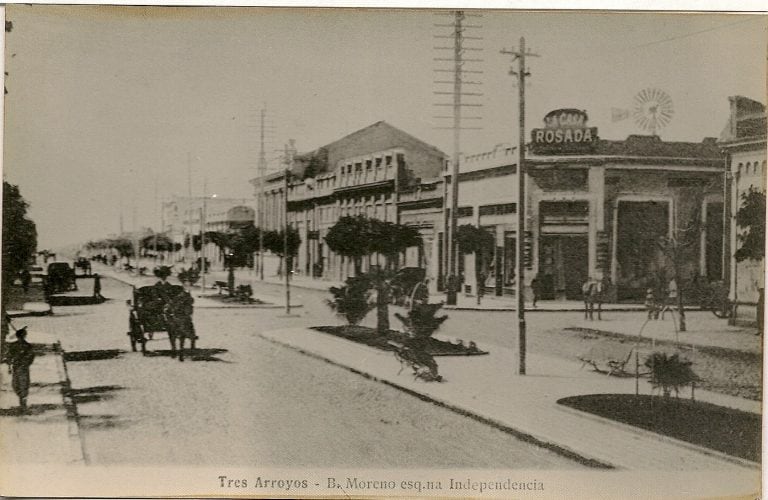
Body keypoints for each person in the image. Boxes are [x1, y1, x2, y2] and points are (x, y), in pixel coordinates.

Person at [4, 327, 35, 412]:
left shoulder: (28, 346)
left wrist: (26, 363)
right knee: (15, 385)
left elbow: (31, 357)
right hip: (16, 367)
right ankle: (22, 399)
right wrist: (9, 364)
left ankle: (23, 403)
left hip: (23, 368)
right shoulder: (13, 345)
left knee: (23, 385)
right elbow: (9, 356)